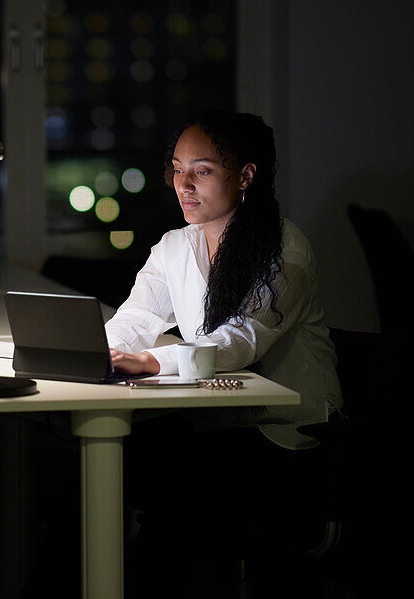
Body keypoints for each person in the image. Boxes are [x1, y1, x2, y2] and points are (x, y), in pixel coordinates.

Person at [106, 109, 342, 450]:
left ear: (245, 176)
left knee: (145, 449)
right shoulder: (175, 246)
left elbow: (239, 339)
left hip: (288, 428)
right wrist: (104, 352)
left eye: (202, 171)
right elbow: (137, 317)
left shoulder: (286, 252)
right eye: (177, 169)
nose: (184, 185)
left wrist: (152, 361)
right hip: (214, 416)